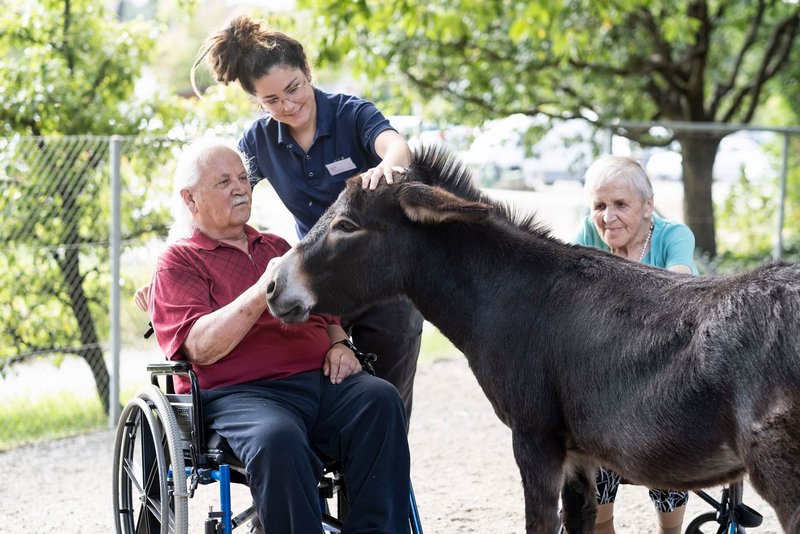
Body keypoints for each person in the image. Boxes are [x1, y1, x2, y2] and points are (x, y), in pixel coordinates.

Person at [147, 137, 411, 533]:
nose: (240, 187)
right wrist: (260, 291)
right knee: (278, 438)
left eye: (243, 178)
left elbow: (325, 312)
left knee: (379, 400)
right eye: (223, 182)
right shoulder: (178, 261)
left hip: (318, 383)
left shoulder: (278, 246)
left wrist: (338, 341)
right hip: (239, 397)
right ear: (190, 199)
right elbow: (199, 346)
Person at [187, 14, 424, 423]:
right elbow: (222, 196)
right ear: (258, 103)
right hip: (321, 285)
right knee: (324, 398)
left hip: (384, 285)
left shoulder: (351, 114)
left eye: (294, 88)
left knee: (386, 402)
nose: (288, 104)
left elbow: (397, 149)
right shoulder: (259, 143)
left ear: (307, 72)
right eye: (272, 101)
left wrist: (389, 167)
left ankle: (380, 481)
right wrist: (174, 261)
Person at [574, 155, 698, 534]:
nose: (608, 217)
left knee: (663, 437)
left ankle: (669, 531)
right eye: (599, 205)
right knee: (587, 440)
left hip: (665, 371)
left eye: (620, 205)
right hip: (608, 378)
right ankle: (603, 526)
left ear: (648, 206)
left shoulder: (672, 235)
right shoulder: (590, 234)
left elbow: (679, 284)